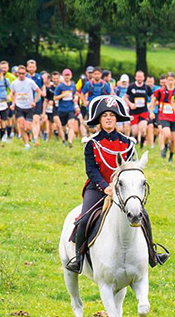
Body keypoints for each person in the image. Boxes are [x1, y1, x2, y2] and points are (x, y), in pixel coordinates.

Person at [65, 95, 167, 273]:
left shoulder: (128, 143)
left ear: (117, 118)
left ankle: (152, 253)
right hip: (97, 188)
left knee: (144, 215)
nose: (108, 118)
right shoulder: (92, 143)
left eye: (112, 115)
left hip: (124, 189)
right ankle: (78, 258)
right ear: (99, 119)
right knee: (84, 220)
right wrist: (105, 187)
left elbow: (132, 170)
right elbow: (91, 171)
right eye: (104, 115)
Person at [152, 72, 175, 163]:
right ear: (166, 81)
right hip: (163, 116)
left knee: (173, 140)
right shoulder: (160, 91)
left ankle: (171, 156)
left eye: (172, 80)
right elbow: (153, 100)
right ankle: (163, 147)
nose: (170, 82)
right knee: (166, 133)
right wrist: (151, 111)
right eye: (169, 80)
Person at [10, 65, 41, 148]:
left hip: (29, 107)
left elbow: (38, 91)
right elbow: (13, 94)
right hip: (19, 106)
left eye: (23, 73)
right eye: (19, 73)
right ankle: (26, 144)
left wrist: (34, 101)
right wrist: (13, 104)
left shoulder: (30, 82)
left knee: (28, 127)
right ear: (17, 74)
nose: (21, 75)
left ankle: (31, 135)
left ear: (25, 73)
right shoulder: (14, 83)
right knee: (21, 125)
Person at [127, 70, 153, 147]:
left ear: (143, 78)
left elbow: (152, 97)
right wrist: (130, 104)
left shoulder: (146, 87)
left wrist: (150, 104)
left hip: (143, 111)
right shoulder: (131, 87)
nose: (140, 78)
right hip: (133, 112)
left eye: (141, 77)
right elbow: (125, 97)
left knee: (143, 129)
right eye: (138, 77)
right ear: (135, 77)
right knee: (135, 131)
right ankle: (136, 143)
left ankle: (141, 145)